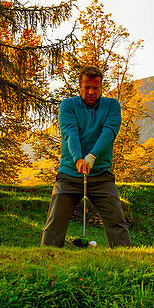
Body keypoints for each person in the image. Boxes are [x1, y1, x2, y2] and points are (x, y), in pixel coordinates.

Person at [41, 66, 132, 247]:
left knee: (117, 220)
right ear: (80, 87)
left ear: (100, 87)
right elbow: (70, 133)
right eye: (87, 87)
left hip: (100, 175)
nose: (91, 91)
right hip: (69, 174)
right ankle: (47, 257)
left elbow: (109, 132)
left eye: (95, 88)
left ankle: (125, 256)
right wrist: (78, 159)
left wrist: (92, 156)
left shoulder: (112, 106)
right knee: (54, 223)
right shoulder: (68, 105)